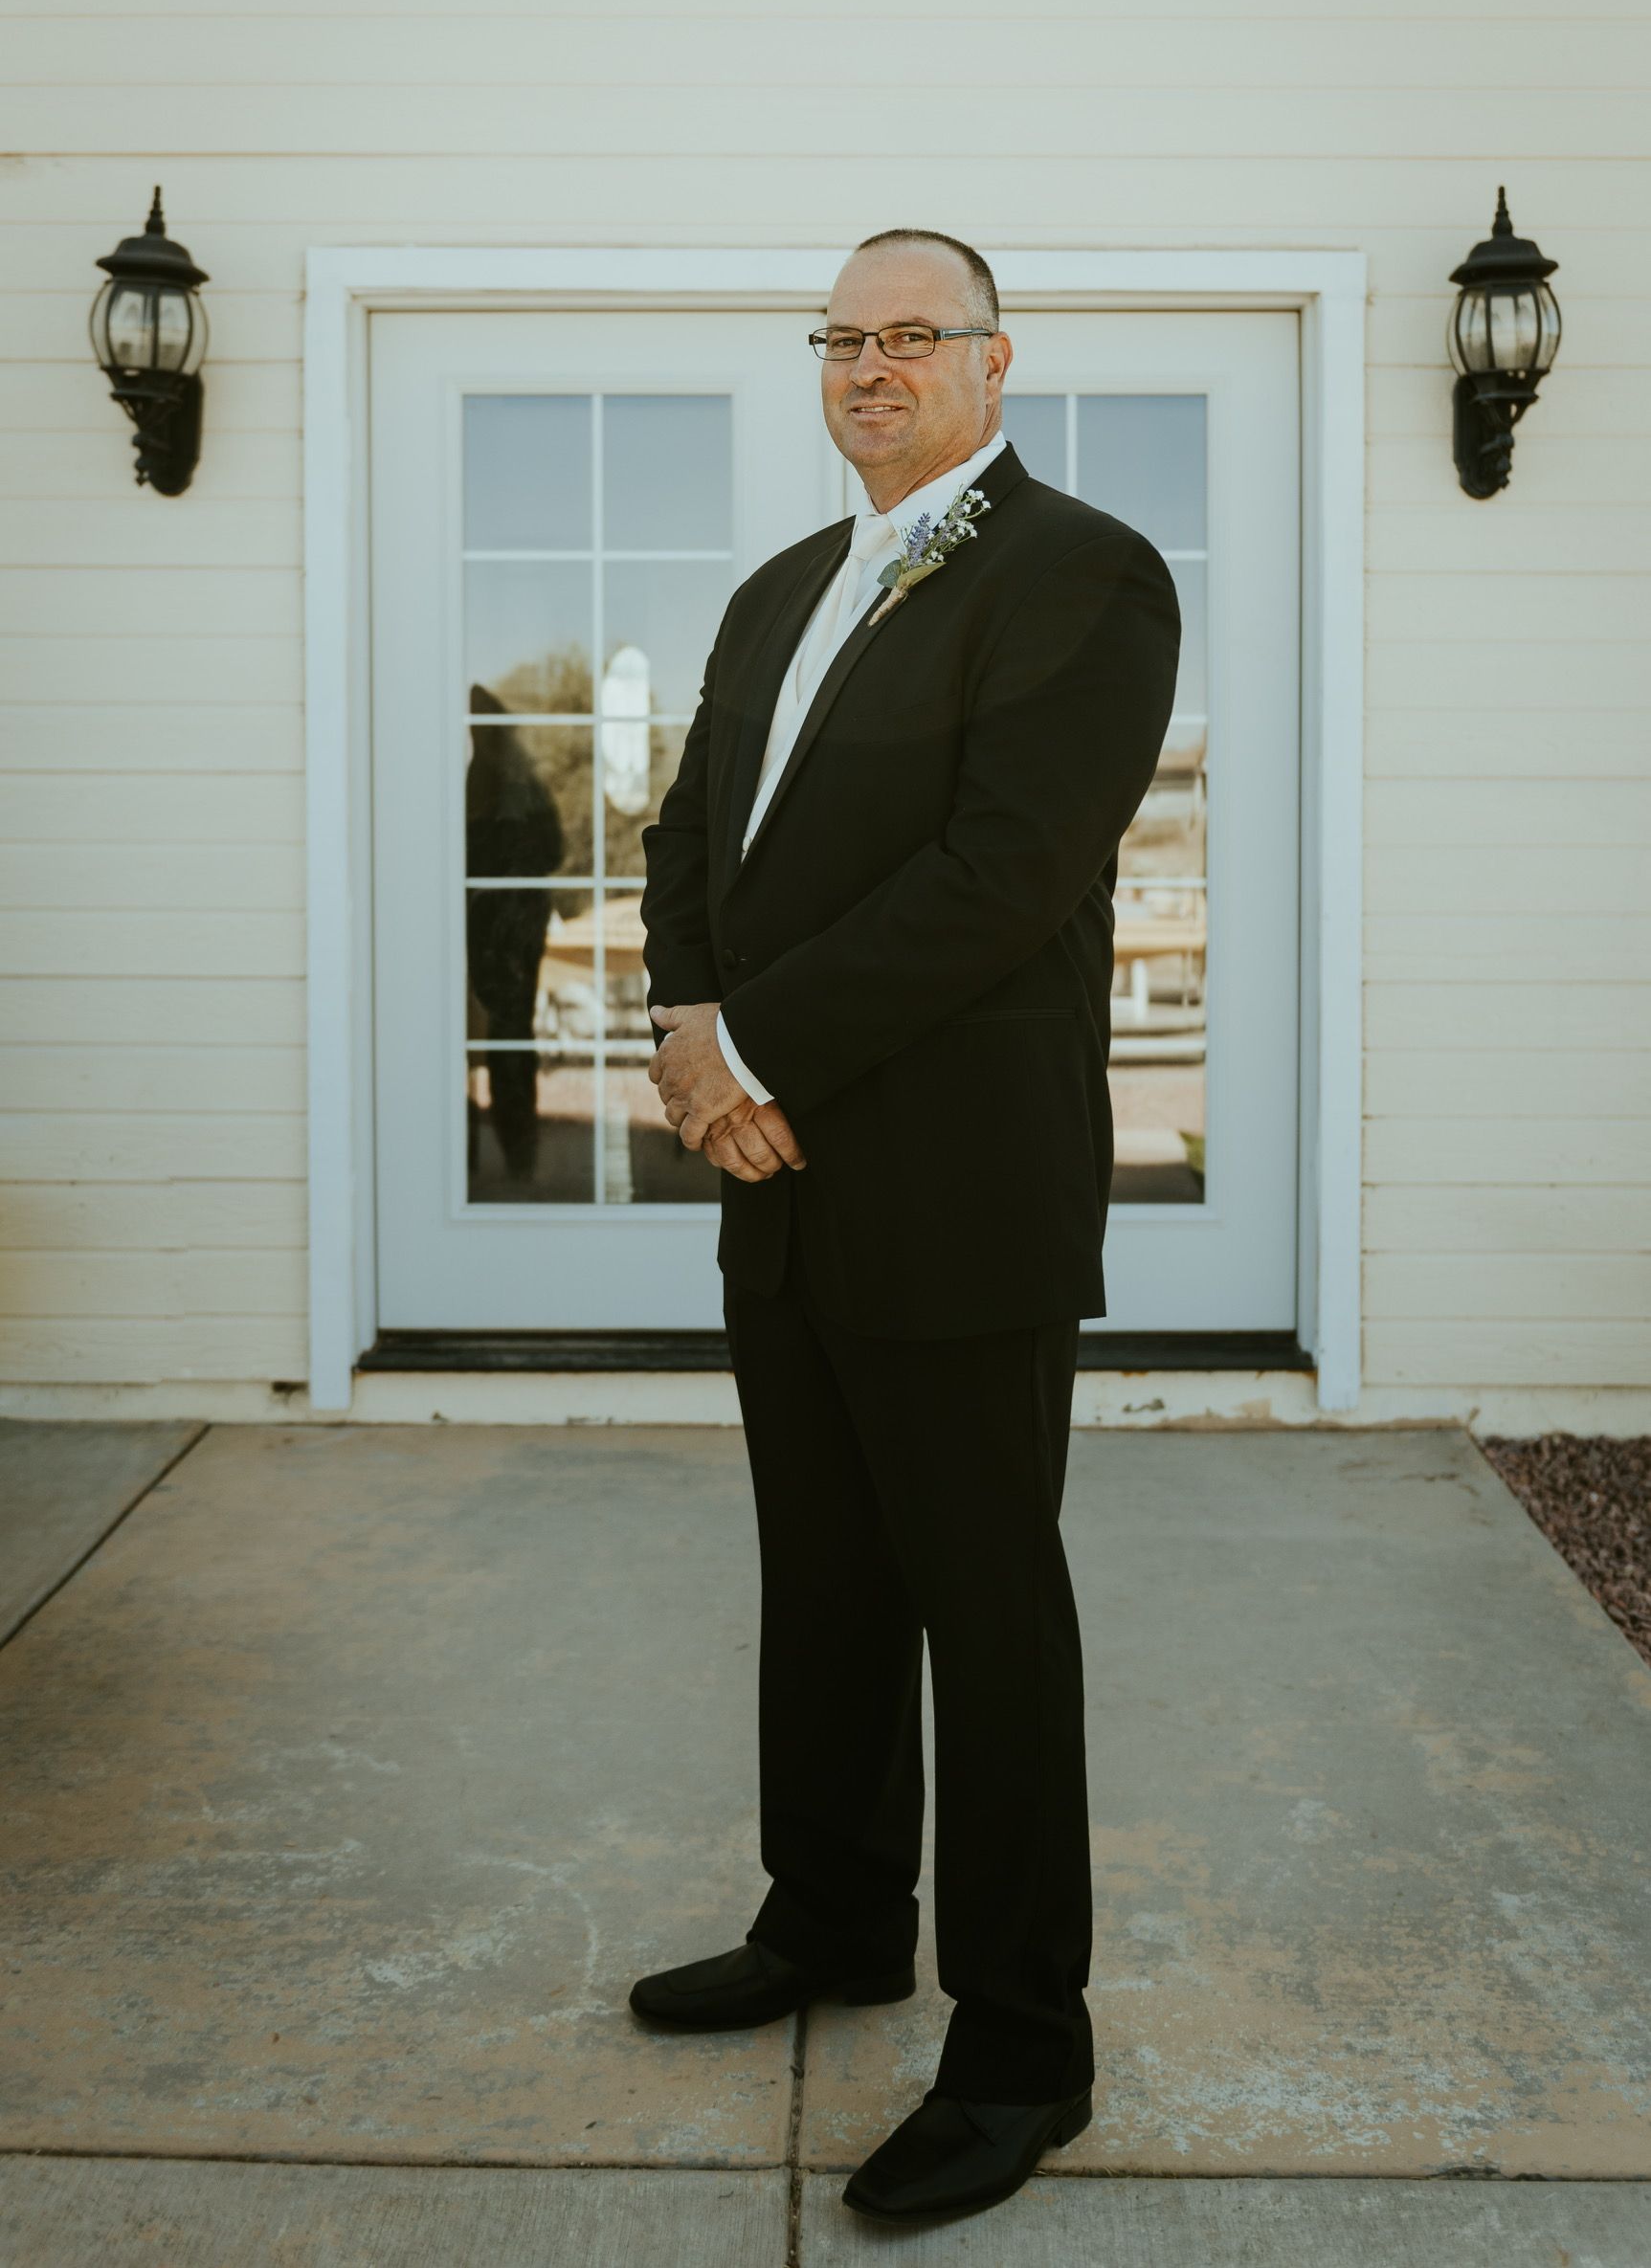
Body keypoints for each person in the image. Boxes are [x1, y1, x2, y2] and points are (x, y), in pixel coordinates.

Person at [633, 229, 1179, 2222]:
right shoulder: (785, 583)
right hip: (772, 1176)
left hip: (955, 1182)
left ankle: (1025, 2045)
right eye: (841, 338)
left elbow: (1004, 870)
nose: (870, 365)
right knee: (826, 1571)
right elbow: (690, 828)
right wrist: (695, 1037)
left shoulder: (1085, 572)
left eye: (910, 334)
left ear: (991, 359)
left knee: (982, 1602)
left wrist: (753, 1046)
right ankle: (835, 1911)